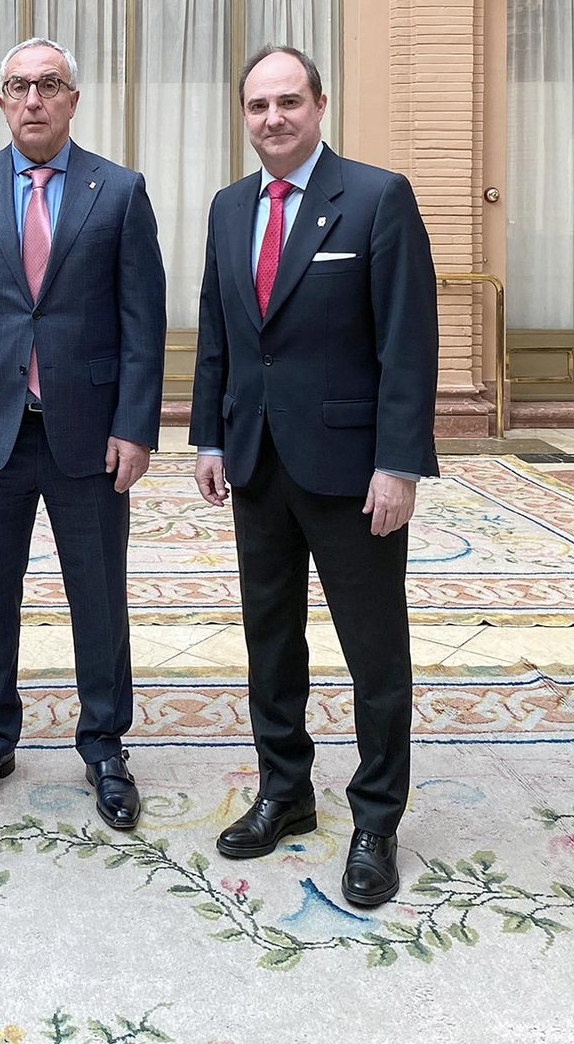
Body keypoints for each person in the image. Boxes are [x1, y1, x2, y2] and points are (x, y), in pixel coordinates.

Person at [189, 44, 438, 908]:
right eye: (258, 105)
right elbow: (219, 331)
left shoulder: (376, 197)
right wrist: (208, 437)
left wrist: (400, 463)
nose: (272, 119)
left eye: (288, 102)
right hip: (256, 462)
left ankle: (376, 818)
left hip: (351, 468)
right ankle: (285, 789)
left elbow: (407, 342)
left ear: (320, 106)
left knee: (374, 651)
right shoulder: (228, 208)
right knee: (271, 639)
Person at [0, 37, 167, 830]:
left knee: (99, 597)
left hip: (90, 438)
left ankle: (103, 745)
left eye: (49, 85)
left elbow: (143, 322)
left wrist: (135, 426)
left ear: (72, 98)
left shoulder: (119, 191)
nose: (33, 99)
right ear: (0, 101)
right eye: (19, 86)